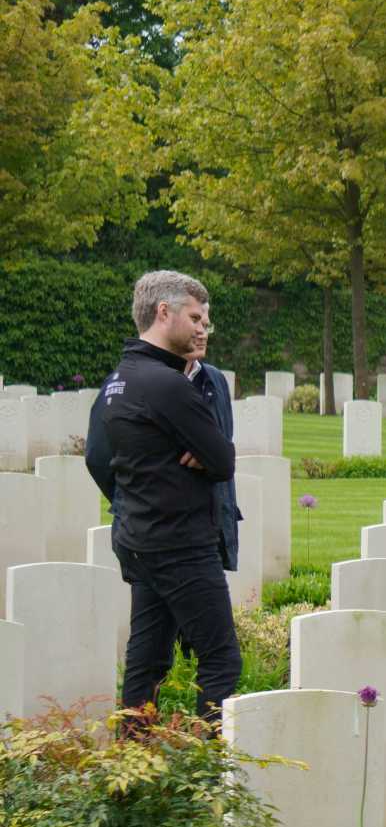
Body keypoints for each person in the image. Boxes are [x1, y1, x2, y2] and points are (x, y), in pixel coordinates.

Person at [95, 270, 241, 724]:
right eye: (195, 317)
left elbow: (100, 461)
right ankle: (203, 772)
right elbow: (222, 459)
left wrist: (139, 494)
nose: (203, 329)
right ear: (164, 313)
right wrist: (203, 456)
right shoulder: (168, 384)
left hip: (140, 537)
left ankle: (133, 770)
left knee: (149, 661)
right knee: (220, 660)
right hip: (181, 543)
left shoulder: (119, 380)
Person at [88, 320, 241, 579]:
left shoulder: (214, 379)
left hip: (209, 526)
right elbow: (98, 456)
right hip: (157, 530)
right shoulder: (141, 380)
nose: (201, 331)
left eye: (207, 324)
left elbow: (224, 448)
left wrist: (211, 455)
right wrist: (134, 498)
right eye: (194, 321)